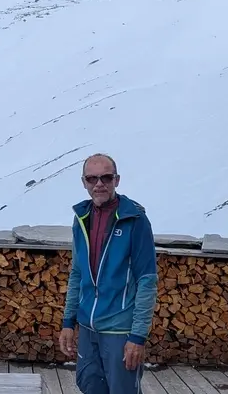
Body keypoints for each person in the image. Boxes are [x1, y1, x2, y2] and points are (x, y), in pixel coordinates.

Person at [58, 153, 158, 394]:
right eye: (92, 178)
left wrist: (137, 337)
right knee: (89, 385)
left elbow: (147, 281)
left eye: (106, 177)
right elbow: (77, 273)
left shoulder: (135, 219)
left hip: (119, 330)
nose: (99, 184)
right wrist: (68, 321)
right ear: (84, 182)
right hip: (88, 327)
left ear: (117, 180)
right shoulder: (81, 218)